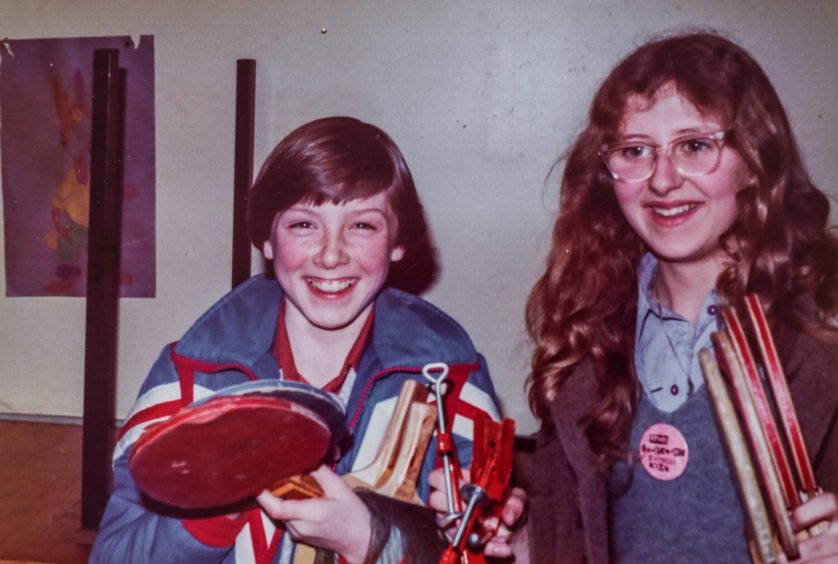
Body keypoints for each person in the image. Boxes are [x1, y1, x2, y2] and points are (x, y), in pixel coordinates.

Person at [90, 116, 502, 563]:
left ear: (398, 241)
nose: (330, 254)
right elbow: (113, 555)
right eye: (304, 225)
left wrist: (369, 539)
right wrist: (213, 503)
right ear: (267, 239)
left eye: (362, 226)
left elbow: (480, 551)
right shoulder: (191, 376)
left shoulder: (451, 380)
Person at [520, 32, 838, 562]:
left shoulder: (825, 330)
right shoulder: (586, 336)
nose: (663, 180)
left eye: (695, 146)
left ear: (754, 159)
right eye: (635, 150)